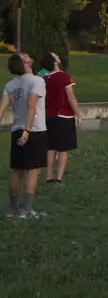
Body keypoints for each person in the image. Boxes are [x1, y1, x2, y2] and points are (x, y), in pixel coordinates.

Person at [2, 53, 47, 219]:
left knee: (17, 170)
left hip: (16, 129)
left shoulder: (10, 85)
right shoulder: (37, 81)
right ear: (25, 63)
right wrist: (27, 130)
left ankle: (12, 210)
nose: (28, 55)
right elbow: (31, 104)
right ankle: (26, 210)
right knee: (33, 170)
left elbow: (1, 109)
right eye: (25, 56)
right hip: (34, 130)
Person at [41, 53, 80, 185]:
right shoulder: (64, 77)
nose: (58, 56)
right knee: (63, 149)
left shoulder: (44, 79)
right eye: (55, 56)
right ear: (54, 62)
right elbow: (70, 97)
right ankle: (59, 178)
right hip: (63, 116)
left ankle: (48, 177)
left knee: (50, 148)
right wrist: (79, 114)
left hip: (48, 117)